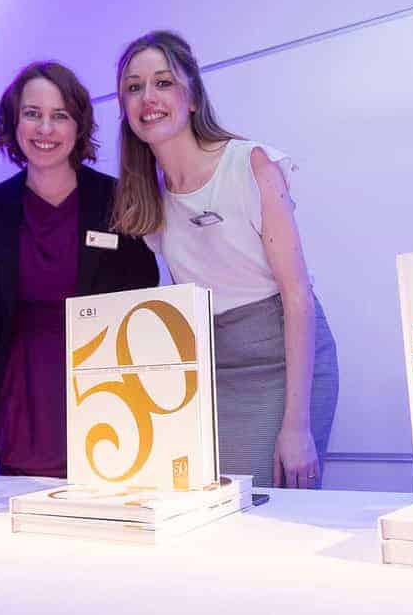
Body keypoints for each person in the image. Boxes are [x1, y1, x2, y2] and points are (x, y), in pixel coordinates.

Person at [111, 31, 338, 489]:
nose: (148, 98)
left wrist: (296, 426)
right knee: (217, 512)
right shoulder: (148, 198)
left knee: (273, 510)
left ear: (192, 96)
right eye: (134, 88)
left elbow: (297, 296)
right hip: (217, 370)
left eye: (163, 83)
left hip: (286, 361)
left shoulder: (251, 164)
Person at [0, 61, 159, 479]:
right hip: (18, 402)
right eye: (32, 113)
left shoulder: (117, 199)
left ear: (78, 126)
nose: (45, 129)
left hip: (105, 399)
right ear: (14, 121)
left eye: (60, 115)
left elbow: (144, 305)